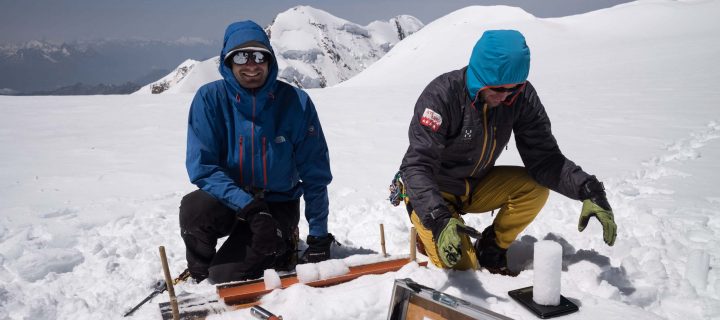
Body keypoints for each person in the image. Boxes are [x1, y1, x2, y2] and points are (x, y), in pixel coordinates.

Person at [396, 30, 617, 276]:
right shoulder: (441, 97)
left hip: (476, 185)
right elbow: (417, 166)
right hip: (435, 193)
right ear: (479, 77)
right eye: (498, 89)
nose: (505, 96)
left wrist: (588, 189)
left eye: (513, 89)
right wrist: (438, 219)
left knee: (534, 189)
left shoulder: (520, 97)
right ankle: (432, 235)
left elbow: (545, 158)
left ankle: (491, 248)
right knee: (464, 270)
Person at [179, 20, 335, 284]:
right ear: (228, 62)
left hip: (277, 203)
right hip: (232, 200)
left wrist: (318, 236)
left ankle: (281, 244)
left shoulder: (296, 103)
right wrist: (248, 206)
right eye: (240, 56)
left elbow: (315, 173)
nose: (251, 65)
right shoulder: (210, 99)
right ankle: (199, 274)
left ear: (270, 59)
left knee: (225, 278)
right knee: (195, 209)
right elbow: (203, 167)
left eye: (259, 56)